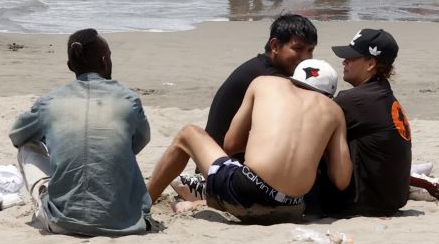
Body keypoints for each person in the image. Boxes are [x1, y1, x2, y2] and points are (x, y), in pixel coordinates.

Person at [145, 58, 352, 223]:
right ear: (329, 94)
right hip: (293, 207)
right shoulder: (334, 111)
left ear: (292, 78)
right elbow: (342, 180)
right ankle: (201, 200)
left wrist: (262, 144)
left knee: (188, 134)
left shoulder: (264, 83)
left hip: (246, 192)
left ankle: (142, 204)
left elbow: (231, 143)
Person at [8, 28, 157, 237]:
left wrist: (55, 138)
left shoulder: (49, 102)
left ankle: (49, 194)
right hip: (126, 223)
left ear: (70, 66)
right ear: (105, 61)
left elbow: (17, 135)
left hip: (63, 221)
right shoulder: (129, 99)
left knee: (28, 145)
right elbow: (139, 142)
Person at [310, 28, 412, 218]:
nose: (344, 61)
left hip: (364, 205)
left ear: (371, 64)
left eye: (351, 58)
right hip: (392, 198)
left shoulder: (353, 100)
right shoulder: (383, 93)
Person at [206, 13, 319, 147]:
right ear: (275, 46)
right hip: (221, 162)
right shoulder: (267, 77)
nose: (305, 57)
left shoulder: (262, 67)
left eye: (310, 50)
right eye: (298, 49)